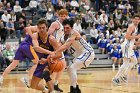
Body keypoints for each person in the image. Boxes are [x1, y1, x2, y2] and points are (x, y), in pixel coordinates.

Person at [0, 18, 54, 89]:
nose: (42, 29)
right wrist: (32, 37)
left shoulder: (45, 34)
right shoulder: (38, 29)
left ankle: (1, 77)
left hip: (22, 46)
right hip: (27, 46)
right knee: (37, 62)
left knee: (13, 64)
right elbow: (27, 28)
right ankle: (27, 77)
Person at [48, 18, 95, 93]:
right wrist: (53, 53)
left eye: (68, 28)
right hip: (79, 55)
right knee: (69, 69)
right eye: (64, 28)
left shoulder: (74, 33)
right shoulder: (63, 37)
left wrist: (55, 53)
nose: (65, 29)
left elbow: (66, 46)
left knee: (72, 68)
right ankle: (77, 88)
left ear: (72, 28)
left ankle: (73, 90)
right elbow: (59, 46)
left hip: (87, 52)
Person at [28, 18, 62, 93]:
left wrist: (48, 58)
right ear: (37, 28)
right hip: (41, 61)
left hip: (51, 60)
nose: (42, 29)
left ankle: (53, 91)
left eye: (43, 27)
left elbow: (59, 54)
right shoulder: (35, 36)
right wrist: (50, 52)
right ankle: (46, 90)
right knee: (33, 85)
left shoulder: (51, 39)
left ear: (47, 27)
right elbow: (36, 48)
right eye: (40, 28)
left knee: (45, 74)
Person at [112, 14, 140, 85]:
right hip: (127, 46)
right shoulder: (131, 26)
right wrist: (136, 37)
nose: (137, 20)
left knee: (135, 61)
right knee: (125, 63)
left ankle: (124, 75)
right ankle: (116, 78)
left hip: (130, 46)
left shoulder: (136, 27)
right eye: (135, 19)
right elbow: (127, 36)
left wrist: (136, 43)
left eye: (138, 19)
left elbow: (133, 38)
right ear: (133, 19)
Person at [47, 8, 68, 92]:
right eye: (61, 16)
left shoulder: (66, 25)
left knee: (61, 66)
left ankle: (54, 84)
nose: (63, 17)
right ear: (58, 16)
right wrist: (55, 43)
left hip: (59, 48)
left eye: (64, 16)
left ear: (67, 16)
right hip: (53, 47)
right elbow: (48, 35)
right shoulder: (55, 24)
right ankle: (50, 85)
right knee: (53, 68)